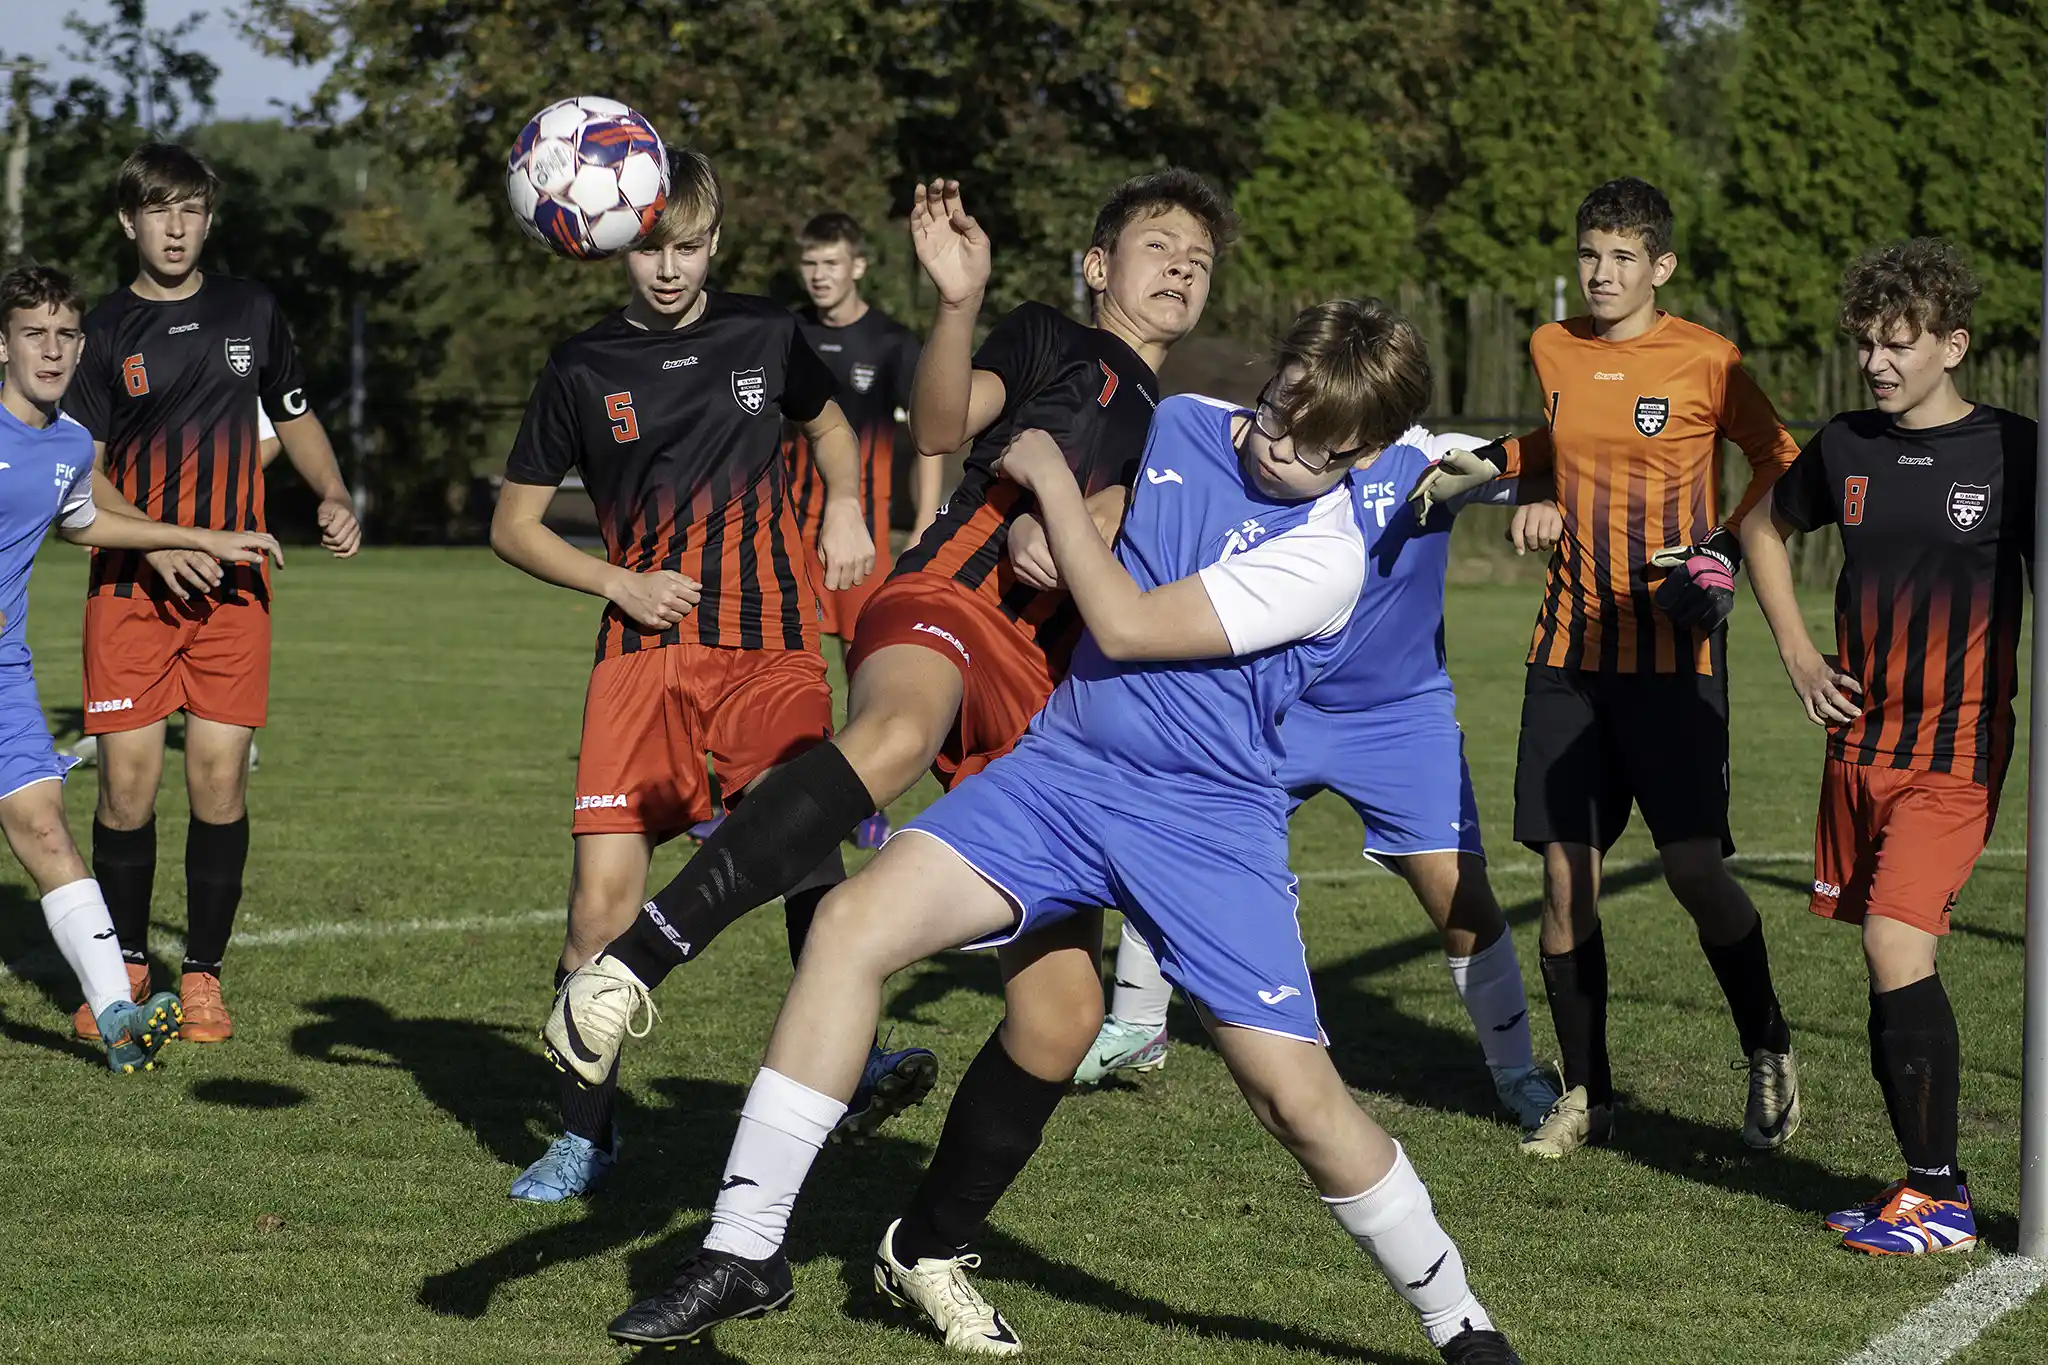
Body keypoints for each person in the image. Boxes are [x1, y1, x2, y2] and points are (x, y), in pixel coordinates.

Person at [600, 299, 1522, 1365]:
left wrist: (1045, 485)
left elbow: (1128, 626)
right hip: (1061, 776)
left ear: (1358, 456)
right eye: (1276, 417)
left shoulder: (1326, 555)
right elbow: (1119, 502)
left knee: (1296, 1102)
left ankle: (1458, 1322)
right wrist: (1066, 518)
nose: (1279, 454)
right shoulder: (1180, 419)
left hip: (1203, 825)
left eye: (1317, 453)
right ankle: (745, 1247)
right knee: (852, 924)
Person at [543, 171, 1232, 1145]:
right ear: (1096, 265)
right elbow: (945, 427)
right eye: (1159, 245)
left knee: (1063, 1013)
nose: (1180, 266)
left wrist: (1094, 532)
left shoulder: (1193, 431)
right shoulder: (1052, 338)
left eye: (1197, 260)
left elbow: (1149, 566)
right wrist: (956, 308)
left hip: (1049, 692)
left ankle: (926, 1248)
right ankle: (626, 970)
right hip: (954, 595)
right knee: (896, 734)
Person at [491, 149, 884, 1202]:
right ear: (617, 243)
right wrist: (616, 583)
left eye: (689, 246)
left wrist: (844, 506)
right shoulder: (580, 366)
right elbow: (513, 527)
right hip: (638, 658)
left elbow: (830, 429)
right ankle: (585, 1136)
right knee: (595, 912)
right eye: (651, 248)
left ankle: (856, 1058)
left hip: (768, 641)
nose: (669, 268)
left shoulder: (766, 331)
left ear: (716, 243)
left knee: (795, 834)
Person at [1412, 175, 1802, 1158]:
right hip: (1565, 654)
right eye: (1589, 254)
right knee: (1561, 883)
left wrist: (1716, 549)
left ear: (1658, 268)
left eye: (1622, 257)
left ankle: (1766, 1045)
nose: (1600, 273)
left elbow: (1779, 462)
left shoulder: (1708, 362)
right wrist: (1506, 467)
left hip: (1673, 655)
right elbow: (1562, 441)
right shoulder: (1552, 347)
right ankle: (1587, 1093)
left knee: (1691, 872)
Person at [1080, 422, 1559, 1138]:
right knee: (1185, 839)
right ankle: (1138, 1024)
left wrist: (1545, 488)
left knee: (1456, 890)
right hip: (1283, 706)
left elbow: (1563, 443)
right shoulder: (1274, 454)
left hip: (1401, 719)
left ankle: (1517, 1071)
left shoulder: (1430, 455)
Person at [1742, 239, 2030, 1256]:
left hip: (1954, 751)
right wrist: (1794, 653)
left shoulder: (2012, 450)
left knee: (1893, 944)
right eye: (1864, 342)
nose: (1875, 361)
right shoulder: (1843, 445)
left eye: (1896, 344)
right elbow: (1760, 529)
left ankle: (1940, 1198)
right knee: (1881, 962)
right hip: (1858, 746)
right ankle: (1915, 1188)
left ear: (1950, 344)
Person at [60, 142, 360, 1049]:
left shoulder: (251, 309)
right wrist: (165, 547)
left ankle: (201, 977)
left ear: (208, 216)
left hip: (235, 589)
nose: (177, 226)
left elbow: (297, 414)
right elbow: (83, 473)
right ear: (130, 222)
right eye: (159, 210)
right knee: (127, 787)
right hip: (131, 589)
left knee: (219, 777)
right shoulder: (103, 332)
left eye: (191, 208)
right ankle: (124, 973)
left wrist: (335, 493)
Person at [0, 264, 280, 1070]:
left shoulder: (63, 445)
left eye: (64, 335)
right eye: (33, 334)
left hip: (5, 673)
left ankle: (118, 1014)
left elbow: (87, 521)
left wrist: (200, 540)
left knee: (45, 827)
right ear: (5, 345)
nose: (51, 351)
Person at [771, 211, 928, 849]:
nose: (819, 277)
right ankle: (761, 796)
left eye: (831, 264)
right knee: (781, 665)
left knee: (864, 667)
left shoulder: (891, 343)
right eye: (810, 264)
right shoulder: (784, 331)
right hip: (784, 531)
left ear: (857, 266)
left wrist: (920, 522)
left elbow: (929, 439)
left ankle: (862, 800)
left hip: (863, 537)